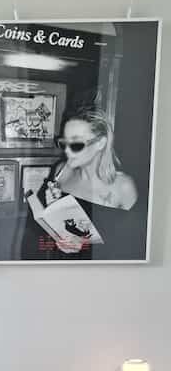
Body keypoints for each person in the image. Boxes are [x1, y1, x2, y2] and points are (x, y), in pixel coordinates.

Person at [21, 106, 141, 259]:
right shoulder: (61, 171)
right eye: (63, 143)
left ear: (100, 143)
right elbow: (37, 229)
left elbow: (135, 246)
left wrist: (85, 244)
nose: (67, 152)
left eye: (76, 145)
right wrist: (52, 207)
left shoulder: (123, 187)